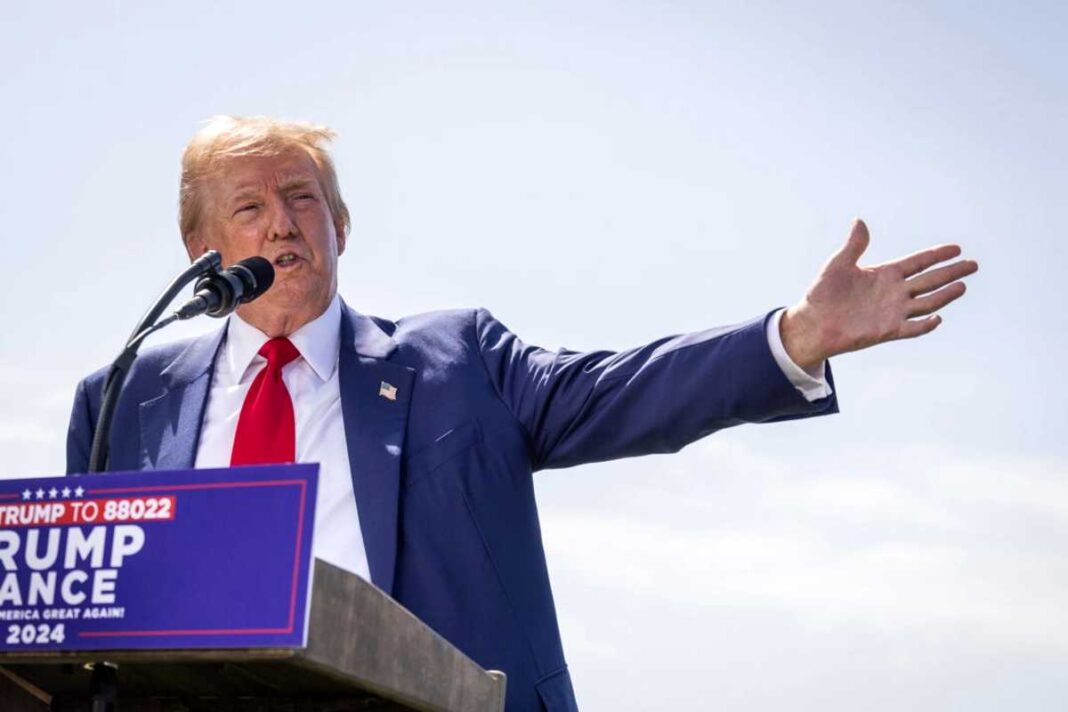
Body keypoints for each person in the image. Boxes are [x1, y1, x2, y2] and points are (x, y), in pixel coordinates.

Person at [66, 116, 978, 712]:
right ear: (201, 247)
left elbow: (616, 391)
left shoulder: (454, 360)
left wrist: (796, 334)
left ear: (342, 222)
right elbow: (83, 606)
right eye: (251, 207)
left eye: (303, 199)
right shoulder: (120, 401)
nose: (282, 226)